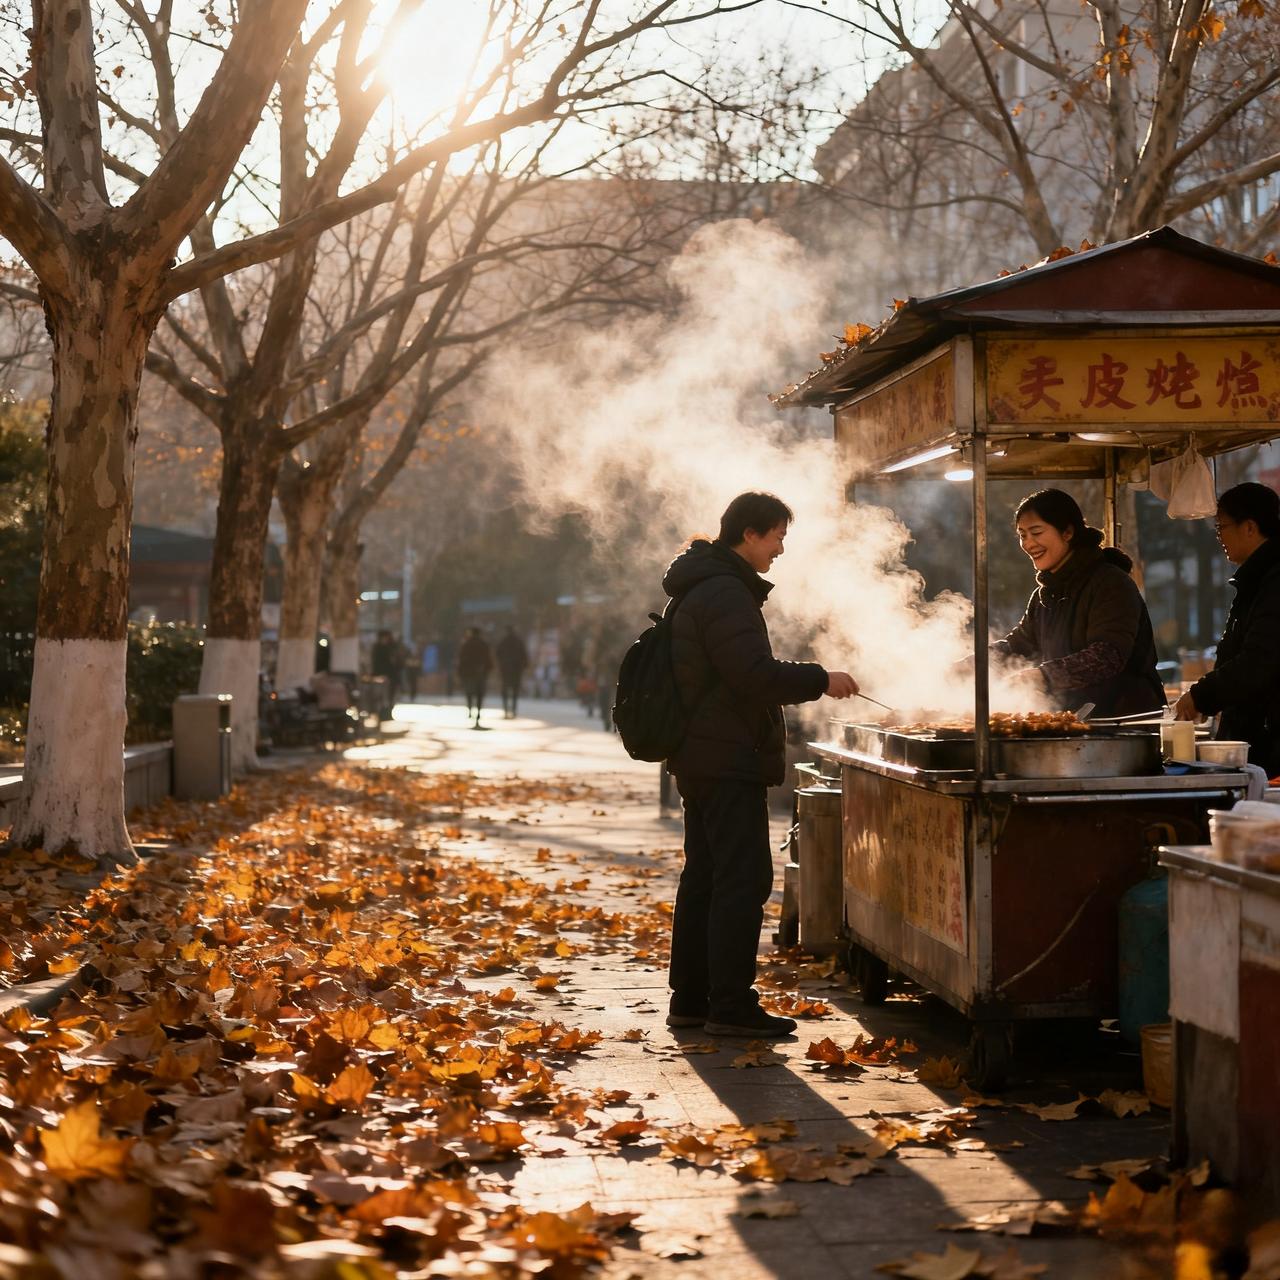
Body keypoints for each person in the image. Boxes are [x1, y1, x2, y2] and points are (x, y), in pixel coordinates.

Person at [663, 491, 858, 1039]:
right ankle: (728, 1003)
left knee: (705, 875)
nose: (779, 549)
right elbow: (752, 674)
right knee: (742, 879)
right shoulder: (725, 591)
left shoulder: (704, 585)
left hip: (703, 755)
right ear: (748, 534)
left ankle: (692, 1000)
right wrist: (820, 678)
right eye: (775, 537)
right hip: (726, 758)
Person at [994, 489, 1164, 718]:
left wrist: (1043, 676)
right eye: (1023, 535)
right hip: (1075, 723)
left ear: (1068, 532)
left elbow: (1107, 656)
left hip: (1123, 723)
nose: (1028, 543)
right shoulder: (1044, 595)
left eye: (1036, 532)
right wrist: (974, 664)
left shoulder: (1110, 583)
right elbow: (1019, 645)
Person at [1173, 482, 1280, 775]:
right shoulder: (1256, 579)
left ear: (1249, 527)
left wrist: (1203, 694)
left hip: (1270, 744)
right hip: (1257, 737)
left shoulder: (1273, 580)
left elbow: (1259, 661)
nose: (1219, 536)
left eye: (1222, 527)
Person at [456, 626, 494, 728]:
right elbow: (489, 660)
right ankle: (478, 715)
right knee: (479, 695)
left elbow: (461, 660)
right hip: (480, 674)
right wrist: (487, 671)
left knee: (469, 692)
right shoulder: (484, 645)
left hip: (469, 674)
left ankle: (469, 709)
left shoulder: (466, 645)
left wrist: (460, 673)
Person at [496, 625, 528, 718]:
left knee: (505, 689)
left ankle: (506, 709)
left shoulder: (503, 642)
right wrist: (523, 667)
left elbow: (498, 654)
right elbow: (524, 655)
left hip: (505, 669)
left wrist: (501, 665)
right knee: (515, 690)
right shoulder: (518, 642)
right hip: (516, 670)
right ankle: (513, 709)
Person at [370, 629, 401, 720]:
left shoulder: (391, 647)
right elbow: (376, 663)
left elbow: (397, 662)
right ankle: (381, 714)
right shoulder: (378, 648)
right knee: (381, 697)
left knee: (389, 696)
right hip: (381, 677)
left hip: (391, 676)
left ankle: (387, 714)